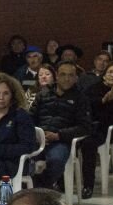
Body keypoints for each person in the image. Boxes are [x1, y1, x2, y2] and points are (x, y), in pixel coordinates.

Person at [31, 61, 91, 190]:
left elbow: (85, 127)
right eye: (63, 74)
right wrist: (37, 134)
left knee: (56, 161)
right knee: (17, 156)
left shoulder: (81, 98)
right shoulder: (43, 94)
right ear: (57, 76)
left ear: (76, 78)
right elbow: (30, 119)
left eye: (71, 75)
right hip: (37, 139)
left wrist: (59, 135)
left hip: (61, 141)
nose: (67, 79)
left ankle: (40, 186)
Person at [81, 62, 113, 197]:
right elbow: (85, 107)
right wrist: (102, 101)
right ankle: (62, 182)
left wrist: (111, 102)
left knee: (88, 144)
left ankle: (88, 185)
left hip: (105, 131)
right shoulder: (92, 89)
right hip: (86, 126)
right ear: (104, 75)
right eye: (110, 72)